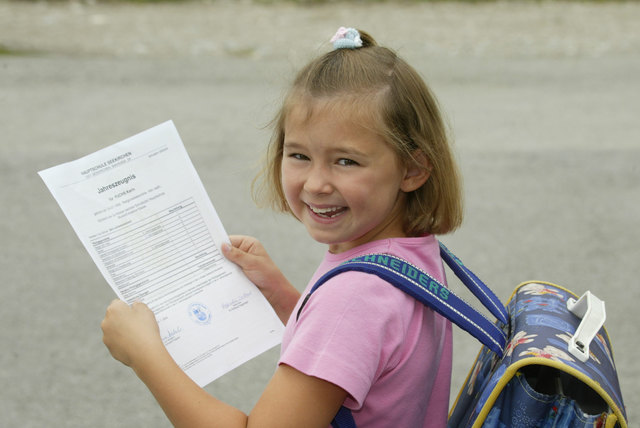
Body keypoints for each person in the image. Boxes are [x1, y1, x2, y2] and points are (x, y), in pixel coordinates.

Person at [101, 27, 463, 428]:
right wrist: (283, 295)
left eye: (346, 161)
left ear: (412, 169)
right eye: (299, 155)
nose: (315, 183)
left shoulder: (353, 298)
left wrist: (146, 357)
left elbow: (347, 324)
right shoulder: (409, 252)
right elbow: (363, 352)